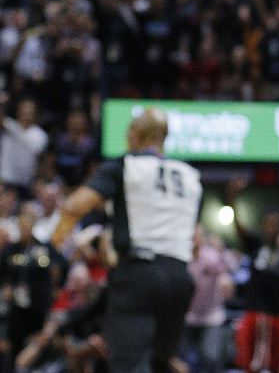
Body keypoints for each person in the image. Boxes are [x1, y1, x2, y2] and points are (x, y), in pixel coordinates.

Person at [52, 108, 202, 373]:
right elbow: (196, 241)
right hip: (179, 278)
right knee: (162, 363)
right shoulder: (190, 175)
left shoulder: (125, 166)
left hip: (139, 275)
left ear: (136, 134)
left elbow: (75, 206)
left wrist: (56, 242)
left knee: (128, 364)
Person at [224, 180, 279, 373]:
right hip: (254, 312)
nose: (271, 227)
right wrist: (231, 197)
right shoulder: (255, 244)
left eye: (275, 223)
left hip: (277, 314)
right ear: (262, 225)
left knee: (276, 365)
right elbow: (237, 225)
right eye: (268, 223)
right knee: (250, 364)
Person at [0, 202, 65, 368]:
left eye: (28, 225)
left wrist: (55, 285)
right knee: (12, 350)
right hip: (15, 310)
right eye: (22, 226)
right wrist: (5, 287)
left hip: (39, 306)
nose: (24, 229)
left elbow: (61, 266)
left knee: (37, 348)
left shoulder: (44, 247)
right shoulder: (10, 250)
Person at [182, 226, 234, 373]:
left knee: (211, 358)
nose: (194, 241)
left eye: (197, 237)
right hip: (188, 316)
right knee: (183, 360)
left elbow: (230, 268)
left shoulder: (211, 256)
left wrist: (221, 250)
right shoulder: (182, 257)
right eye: (192, 237)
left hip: (211, 316)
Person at [1, 100, 47, 198]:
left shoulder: (40, 135)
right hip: (5, 180)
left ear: (36, 113)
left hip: (25, 183)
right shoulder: (9, 125)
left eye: (30, 109)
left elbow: (38, 154)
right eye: (24, 108)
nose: (27, 111)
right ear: (18, 110)